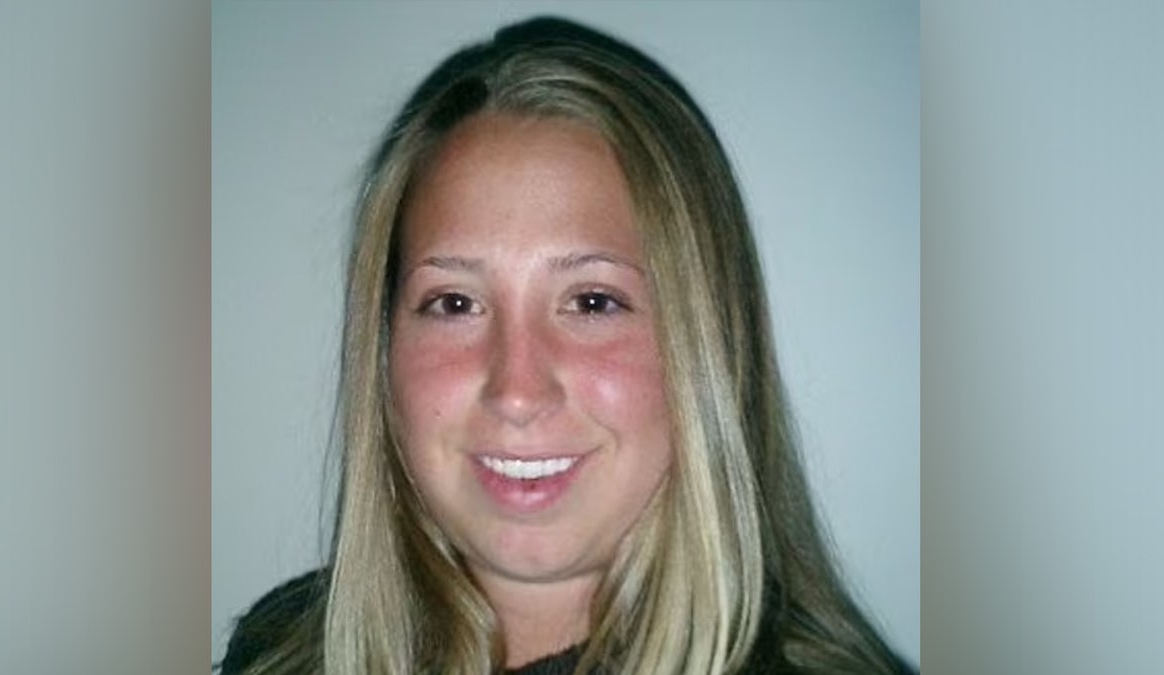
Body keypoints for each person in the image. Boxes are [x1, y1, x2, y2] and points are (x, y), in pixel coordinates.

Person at [220, 16, 914, 675]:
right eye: (455, 303)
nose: (517, 389)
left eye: (592, 301)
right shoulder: (279, 651)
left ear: (705, 343)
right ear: (383, 353)